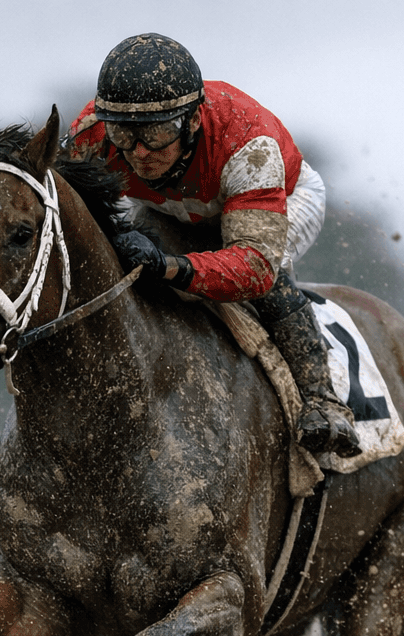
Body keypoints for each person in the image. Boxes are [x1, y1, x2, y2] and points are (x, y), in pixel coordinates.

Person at [66, 33, 362, 457]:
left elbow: (254, 265)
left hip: (282, 199)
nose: (139, 153)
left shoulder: (247, 144)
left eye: (156, 134)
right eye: (125, 134)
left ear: (191, 121)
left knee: (269, 276)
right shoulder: (92, 135)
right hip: (173, 207)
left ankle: (321, 398)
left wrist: (173, 268)